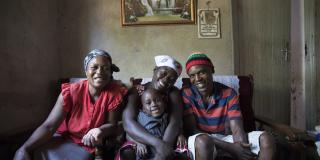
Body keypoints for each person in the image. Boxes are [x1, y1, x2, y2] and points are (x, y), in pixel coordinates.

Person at [14, 49, 128, 160]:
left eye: (105, 68)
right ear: (86, 70)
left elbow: (112, 125)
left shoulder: (114, 93)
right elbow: (49, 126)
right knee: (33, 153)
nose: (100, 72)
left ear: (110, 73)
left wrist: (100, 130)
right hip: (63, 138)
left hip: (87, 144)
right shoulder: (71, 92)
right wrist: (24, 148)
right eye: (94, 67)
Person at [181, 53, 276, 160]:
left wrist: (241, 149)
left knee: (267, 139)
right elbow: (192, 130)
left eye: (202, 72)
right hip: (201, 139)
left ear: (212, 70)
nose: (197, 79)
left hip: (226, 138)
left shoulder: (229, 93)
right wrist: (230, 148)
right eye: (192, 75)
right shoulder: (187, 94)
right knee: (203, 142)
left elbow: (237, 128)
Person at [122, 55, 185, 160]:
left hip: (167, 139)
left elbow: (175, 121)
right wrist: (159, 144)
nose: (165, 80)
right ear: (155, 70)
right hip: (142, 139)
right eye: (163, 73)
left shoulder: (173, 93)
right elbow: (128, 123)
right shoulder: (137, 91)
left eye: (171, 79)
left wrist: (163, 150)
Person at [116, 87, 188, 160]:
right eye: (148, 103)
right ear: (143, 108)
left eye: (157, 100)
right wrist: (138, 143)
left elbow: (176, 127)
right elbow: (129, 134)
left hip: (165, 153)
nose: (154, 104)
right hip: (147, 154)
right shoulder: (140, 118)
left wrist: (180, 135)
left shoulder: (167, 116)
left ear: (164, 103)